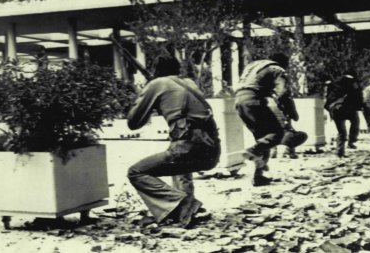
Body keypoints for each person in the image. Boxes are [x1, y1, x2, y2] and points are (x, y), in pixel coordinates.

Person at [126, 56, 220, 227]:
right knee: (178, 162)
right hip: (211, 151)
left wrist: (146, 94)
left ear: (157, 71)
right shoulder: (190, 83)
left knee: (136, 172)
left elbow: (133, 122)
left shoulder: (157, 84)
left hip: (189, 147)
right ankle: (183, 213)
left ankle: (186, 205)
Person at [235, 53, 298, 186]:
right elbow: (284, 93)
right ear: (284, 63)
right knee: (277, 133)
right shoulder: (278, 70)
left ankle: (259, 176)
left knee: (264, 139)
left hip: (239, 101)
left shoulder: (254, 66)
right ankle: (252, 151)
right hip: (254, 100)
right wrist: (291, 112)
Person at [324, 73, 363, 157]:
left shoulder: (333, 85)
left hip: (335, 109)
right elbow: (358, 96)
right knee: (355, 122)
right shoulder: (353, 84)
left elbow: (327, 100)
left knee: (341, 132)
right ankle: (352, 141)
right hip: (347, 109)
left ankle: (340, 152)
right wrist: (359, 107)